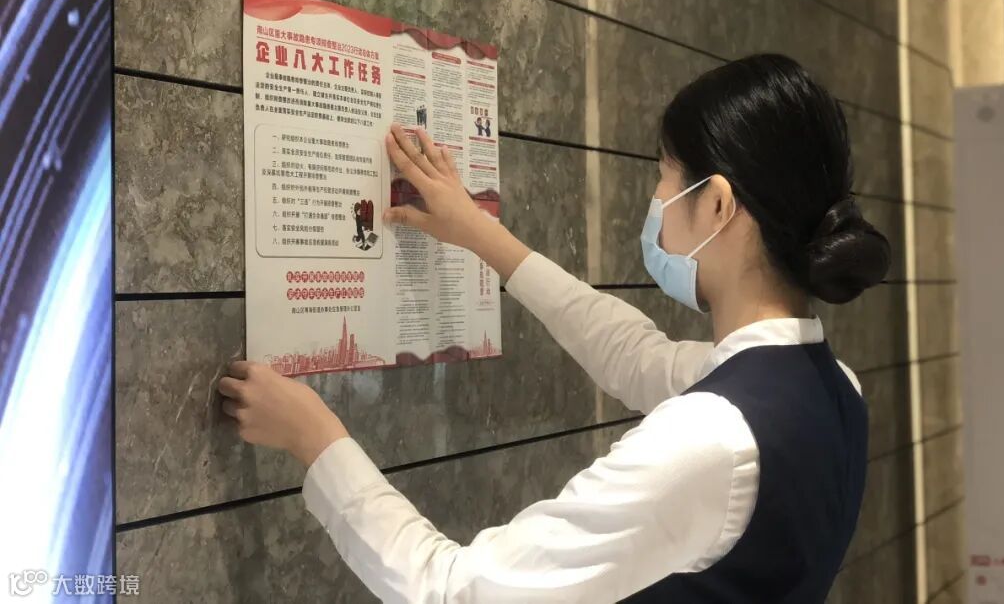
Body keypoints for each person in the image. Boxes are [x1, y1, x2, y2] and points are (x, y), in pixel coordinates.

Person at [220, 54, 890, 603]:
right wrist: (481, 234)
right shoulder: (832, 389)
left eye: (665, 176)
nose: (656, 202)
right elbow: (633, 355)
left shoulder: (714, 437)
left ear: (716, 204)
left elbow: (452, 591)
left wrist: (316, 440)